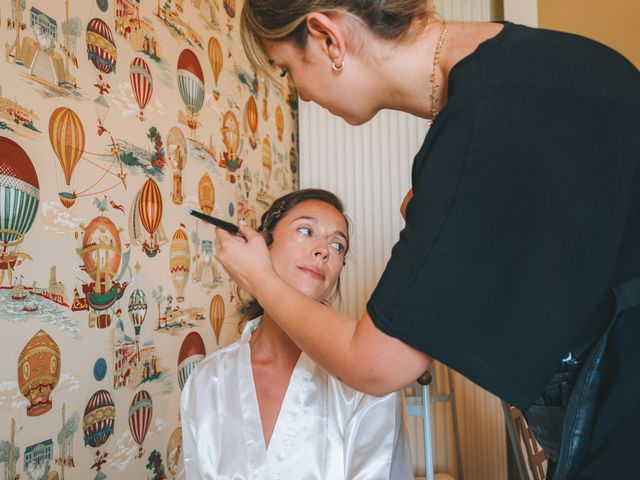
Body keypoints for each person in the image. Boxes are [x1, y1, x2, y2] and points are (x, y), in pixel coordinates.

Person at [216, 1, 640, 478]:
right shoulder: (547, 65)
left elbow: (376, 365)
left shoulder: (480, 124)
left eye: (289, 72)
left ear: (327, 38)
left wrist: (259, 276)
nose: (304, 96)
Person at [179, 189, 413, 479]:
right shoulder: (206, 380)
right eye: (306, 230)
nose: (324, 251)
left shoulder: (367, 383)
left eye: (338, 246)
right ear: (262, 244)